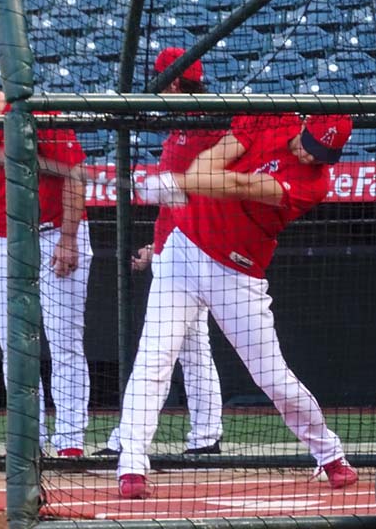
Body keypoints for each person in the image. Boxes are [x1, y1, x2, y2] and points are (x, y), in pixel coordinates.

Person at [116, 108, 358, 499]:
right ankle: (131, 466)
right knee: (154, 358)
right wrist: (188, 182)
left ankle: (330, 455)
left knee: (272, 376)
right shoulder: (270, 119)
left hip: (237, 272)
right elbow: (212, 161)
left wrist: (181, 183)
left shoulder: (315, 184)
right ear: (303, 125)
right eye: (309, 144)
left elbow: (237, 185)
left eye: (323, 153)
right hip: (184, 252)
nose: (312, 156)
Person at [0, 58, 93, 457]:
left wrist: (69, 238)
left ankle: (70, 441)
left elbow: (74, 175)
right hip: (3, 241)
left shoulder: (34, 113)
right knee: (15, 347)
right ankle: (31, 440)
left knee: (64, 342)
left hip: (55, 232)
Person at [98, 48, 225, 457]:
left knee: (158, 351)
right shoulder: (184, 125)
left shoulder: (204, 125)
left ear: (172, 82)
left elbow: (184, 192)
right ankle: (206, 438)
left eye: (160, 80)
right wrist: (158, 247)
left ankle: (128, 441)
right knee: (193, 350)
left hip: (192, 257)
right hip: (178, 252)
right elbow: (177, 202)